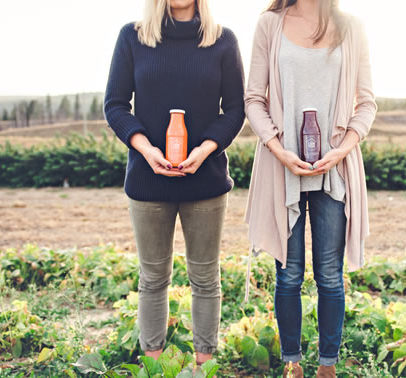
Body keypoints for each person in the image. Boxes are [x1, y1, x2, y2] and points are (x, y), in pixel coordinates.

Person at [104, 0, 245, 366]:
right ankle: (153, 364)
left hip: (206, 181)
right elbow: (116, 105)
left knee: (205, 278)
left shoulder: (222, 40)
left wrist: (206, 149)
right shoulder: (132, 37)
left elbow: (235, 109)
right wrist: (145, 148)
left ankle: (204, 365)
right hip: (148, 181)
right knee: (152, 279)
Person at [244, 0, 377, 376]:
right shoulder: (270, 24)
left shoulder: (352, 27)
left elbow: (366, 104)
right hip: (281, 166)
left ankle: (327, 367)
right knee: (288, 272)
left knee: (330, 274)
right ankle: (292, 365)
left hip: (334, 169)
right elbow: (254, 98)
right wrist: (277, 148)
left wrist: (342, 150)